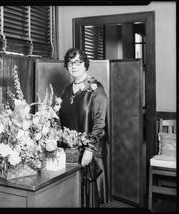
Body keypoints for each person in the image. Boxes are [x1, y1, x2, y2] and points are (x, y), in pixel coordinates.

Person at [59, 48, 108, 208]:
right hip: (70, 151)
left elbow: (100, 124)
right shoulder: (66, 90)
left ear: (85, 64)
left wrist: (89, 149)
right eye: (70, 63)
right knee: (72, 196)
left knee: (89, 198)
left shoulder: (96, 89)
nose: (74, 66)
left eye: (78, 62)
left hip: (89, 151)